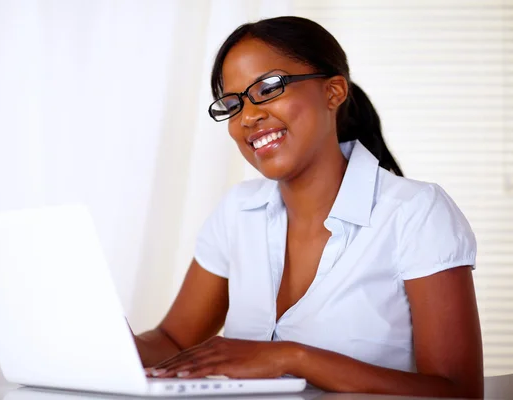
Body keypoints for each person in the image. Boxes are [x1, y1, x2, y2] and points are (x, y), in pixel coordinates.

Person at [131, 16, 483, 397]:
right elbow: (172, 340)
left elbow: (458, 391)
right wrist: (96, 341)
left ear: (333, 92)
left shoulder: (416, 213)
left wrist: (291, 357)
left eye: (268, 88)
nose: (248, 117)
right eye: (233, 103)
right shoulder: (237, 212)